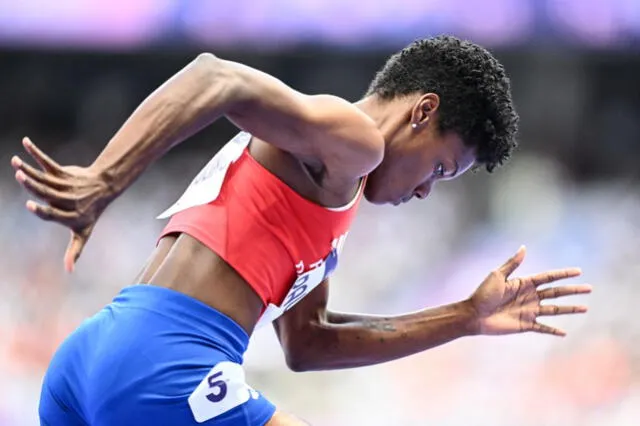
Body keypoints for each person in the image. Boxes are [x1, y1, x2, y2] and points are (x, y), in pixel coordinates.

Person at [13, 36, 591, 426]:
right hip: (166, 362)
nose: (424, 191)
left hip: (93, 356)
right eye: (439, 168)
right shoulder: (354, 141)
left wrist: (464, 317)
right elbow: (216, 77)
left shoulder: (328, 187)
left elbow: (308, 343)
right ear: (421, 111)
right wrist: (103, 179)